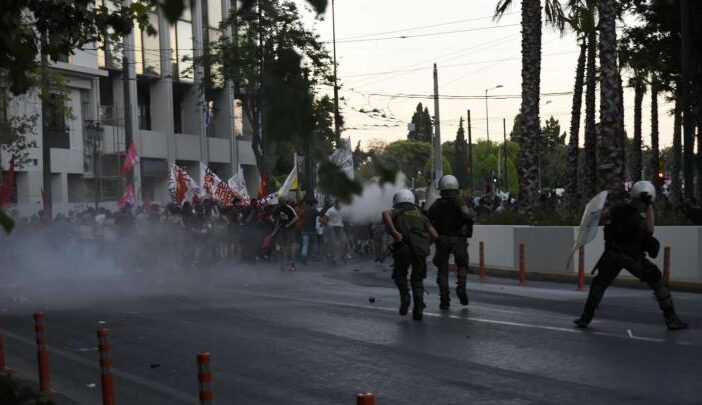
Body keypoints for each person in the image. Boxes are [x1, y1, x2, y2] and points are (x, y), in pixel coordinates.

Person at [574, 181, 688, 330]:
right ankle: (671, 318)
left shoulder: (618, 209)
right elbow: (650, 230)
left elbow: (601, 217)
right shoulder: (640, 215)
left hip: (612, 255)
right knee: (657, 280)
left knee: (599, 284)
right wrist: (649, 207)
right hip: (632, 257)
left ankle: (585, 318)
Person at [383, 189, 438, 321]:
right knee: (417, 280)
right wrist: (424, 243)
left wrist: (395, 233)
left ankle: (405, 298)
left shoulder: (398, 211)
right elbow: (435, 235)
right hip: (419, 250)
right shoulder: (421, 215)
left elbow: (385, 214)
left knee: (400, 276)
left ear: (397, 201)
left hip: (403, 249)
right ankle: (418, 309)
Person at [427, 175, 474, 310]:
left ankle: (444, 298)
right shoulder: (459, 201)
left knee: (442, 269)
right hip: (458, 239)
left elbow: (427, 218)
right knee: (462, 265)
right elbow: (467, 215)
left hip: (442, 239)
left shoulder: (437, 204)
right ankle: (461, 287)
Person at [274, 197, 299, 271]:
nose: (281, 203)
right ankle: (284, 264)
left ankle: (292, 265)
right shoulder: (279, 209)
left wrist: (289, 224)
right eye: (280, 202)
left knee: (290, 247)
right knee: (282, 247)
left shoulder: (289, 208)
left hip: (290, 230)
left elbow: (296, 217)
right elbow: (278, 218)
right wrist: (276, 227)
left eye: (282, 202)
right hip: (282, 230)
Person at [324, 200, 346, 264]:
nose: (340, 206)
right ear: (335, 204)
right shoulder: (330, 210)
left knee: (344, 240)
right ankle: (334, 257)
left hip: (340, 228)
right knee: (334, 243)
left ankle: (342, 255)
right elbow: (325, 218)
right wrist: (328, 225)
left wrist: (350, 221)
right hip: (332, 228)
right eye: (338, 204)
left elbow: (344, 218)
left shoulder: (342, 210)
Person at [300, 199, 320, 264]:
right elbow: (320, 214)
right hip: (312, 230)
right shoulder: (314, 210)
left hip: (304, 230)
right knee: (315, 243)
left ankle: (303, 256)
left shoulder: (304, 211)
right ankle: (316, 256)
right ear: (314, 204)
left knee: (305, 244)